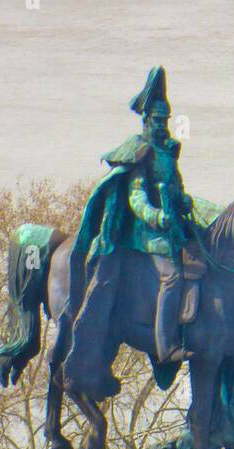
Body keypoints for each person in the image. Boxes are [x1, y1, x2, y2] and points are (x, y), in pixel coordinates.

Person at [63, 65, 195, 398]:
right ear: (146, 121)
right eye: (156, 121)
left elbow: (176, 187)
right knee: (173, 276)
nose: (162, 126)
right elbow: (136, 197)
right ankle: (166, 346)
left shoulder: (169, 151)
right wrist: (156, 217)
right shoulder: (141, 151)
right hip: (145, 236)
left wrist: (182, 200)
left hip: (173, 228)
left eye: (165, 121)